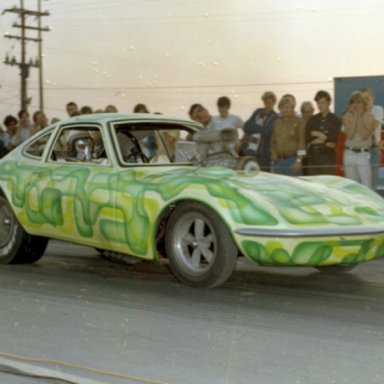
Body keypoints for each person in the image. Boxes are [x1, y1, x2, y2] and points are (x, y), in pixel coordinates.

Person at [342, 91, 377, 187]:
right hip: (349, 153)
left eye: (358, 102)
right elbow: (350, 135)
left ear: (364, 104)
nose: (356, 105)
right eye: (353, 102)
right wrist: (356, 117)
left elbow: (364, 135)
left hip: (363, 154)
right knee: (352, 186)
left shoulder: (370, 117)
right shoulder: (346, 117)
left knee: (366, 186)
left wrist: (359, 117)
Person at [240, 91, 278, 171]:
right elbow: (246, 126)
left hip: (263, 153)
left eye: (270, 102)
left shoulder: (275, 116)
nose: (267, 104)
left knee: (263, 176)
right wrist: (261, 128)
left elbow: (267, 132)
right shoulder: (257, 111)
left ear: (274, 102)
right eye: (265, 102)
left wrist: (253, 128)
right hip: (250, 150)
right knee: (249, 175)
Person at [305, 91, 341, 175]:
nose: (320, 105)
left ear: (329, 102)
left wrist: (317, 134)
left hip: (327, 160)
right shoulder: (312, 120)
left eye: (322, 102)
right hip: (313, 160)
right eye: (318, 103)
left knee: (327, 185)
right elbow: (308, 139)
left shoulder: (335, 120)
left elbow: (333, 143)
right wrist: (325, 139)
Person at [270, 96, 306, 176]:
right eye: (283, 107)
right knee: (278, 187)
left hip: (292, 161)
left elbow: (302, 143)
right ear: (280, 109)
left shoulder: (299, 122)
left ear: (292, 108)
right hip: (278, 162)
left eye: (288, 107)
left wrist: (299, 161)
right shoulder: (276, 123)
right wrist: (273, 153)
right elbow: (272, 141)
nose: (286, 109)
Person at [360, 87, 384, 190]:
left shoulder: (378, 109)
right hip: (360, 151)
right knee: (361, 183)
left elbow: (374, 126)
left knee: (373, 182)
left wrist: (368, 110)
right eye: (363, 98)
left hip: (373, 150)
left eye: (368, 97)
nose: (366, 100)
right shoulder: (358, 112)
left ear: (372, 98)